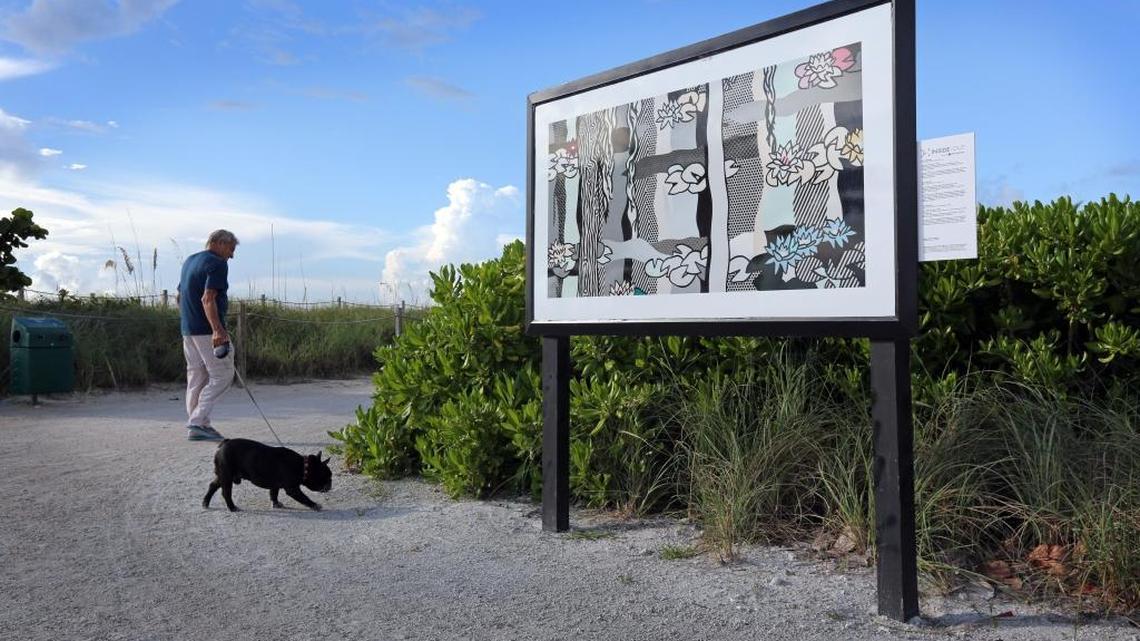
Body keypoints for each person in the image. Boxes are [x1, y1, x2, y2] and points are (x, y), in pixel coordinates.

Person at [178, 229, 238, 441]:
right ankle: (197, 421)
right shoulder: (217, 263)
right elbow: (208, 298)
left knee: (197, 375)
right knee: (222, 375)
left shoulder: (189, 261)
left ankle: (198, 424)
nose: (232, 255)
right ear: (220, 243)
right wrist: (217, 330)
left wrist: (189, 321)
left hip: (188, 328)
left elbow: (180, 295)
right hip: (206, 330)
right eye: (231, 249)